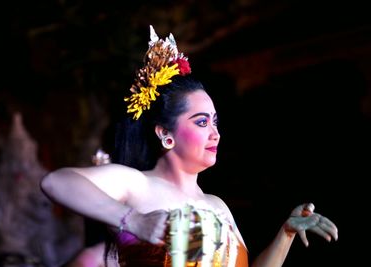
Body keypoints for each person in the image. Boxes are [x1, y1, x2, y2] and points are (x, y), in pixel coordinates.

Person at [40, 25, 338, 267]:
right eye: (201, 122)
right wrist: (134, 220)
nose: (215, 133)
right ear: (165, 134)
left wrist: (285, 234)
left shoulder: (217, 205)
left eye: (215, 122)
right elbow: (56, 182)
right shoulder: (137, 184)